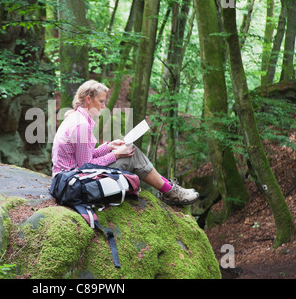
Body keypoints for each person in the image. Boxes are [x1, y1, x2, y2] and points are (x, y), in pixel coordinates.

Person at [51, 80, 199, 206]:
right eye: (101, 101)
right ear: (88, 100)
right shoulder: (81, 125)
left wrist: (108, 147)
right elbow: (85, 166)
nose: (104, 106)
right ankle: (170, 191)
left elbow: (86, 156)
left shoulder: (78, 118)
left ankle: (168, 188)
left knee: (129, 149)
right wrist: (115, 155)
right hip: (72, 183)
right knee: (131, 154)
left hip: (67, 178)